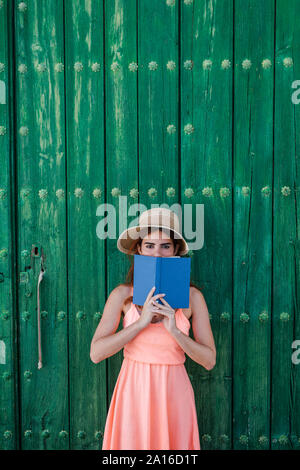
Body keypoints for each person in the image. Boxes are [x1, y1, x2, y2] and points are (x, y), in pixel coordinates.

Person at [90, 208, 216, 450]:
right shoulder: (122, 295)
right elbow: (96, 353)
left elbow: (209, 360)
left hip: (173, 392)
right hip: (133, 391)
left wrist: (175, 331)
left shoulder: (193, 297)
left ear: (176, 250)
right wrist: (140, 322)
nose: (157, 253)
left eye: (165, 246)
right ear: (139, 249)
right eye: (149, 245)